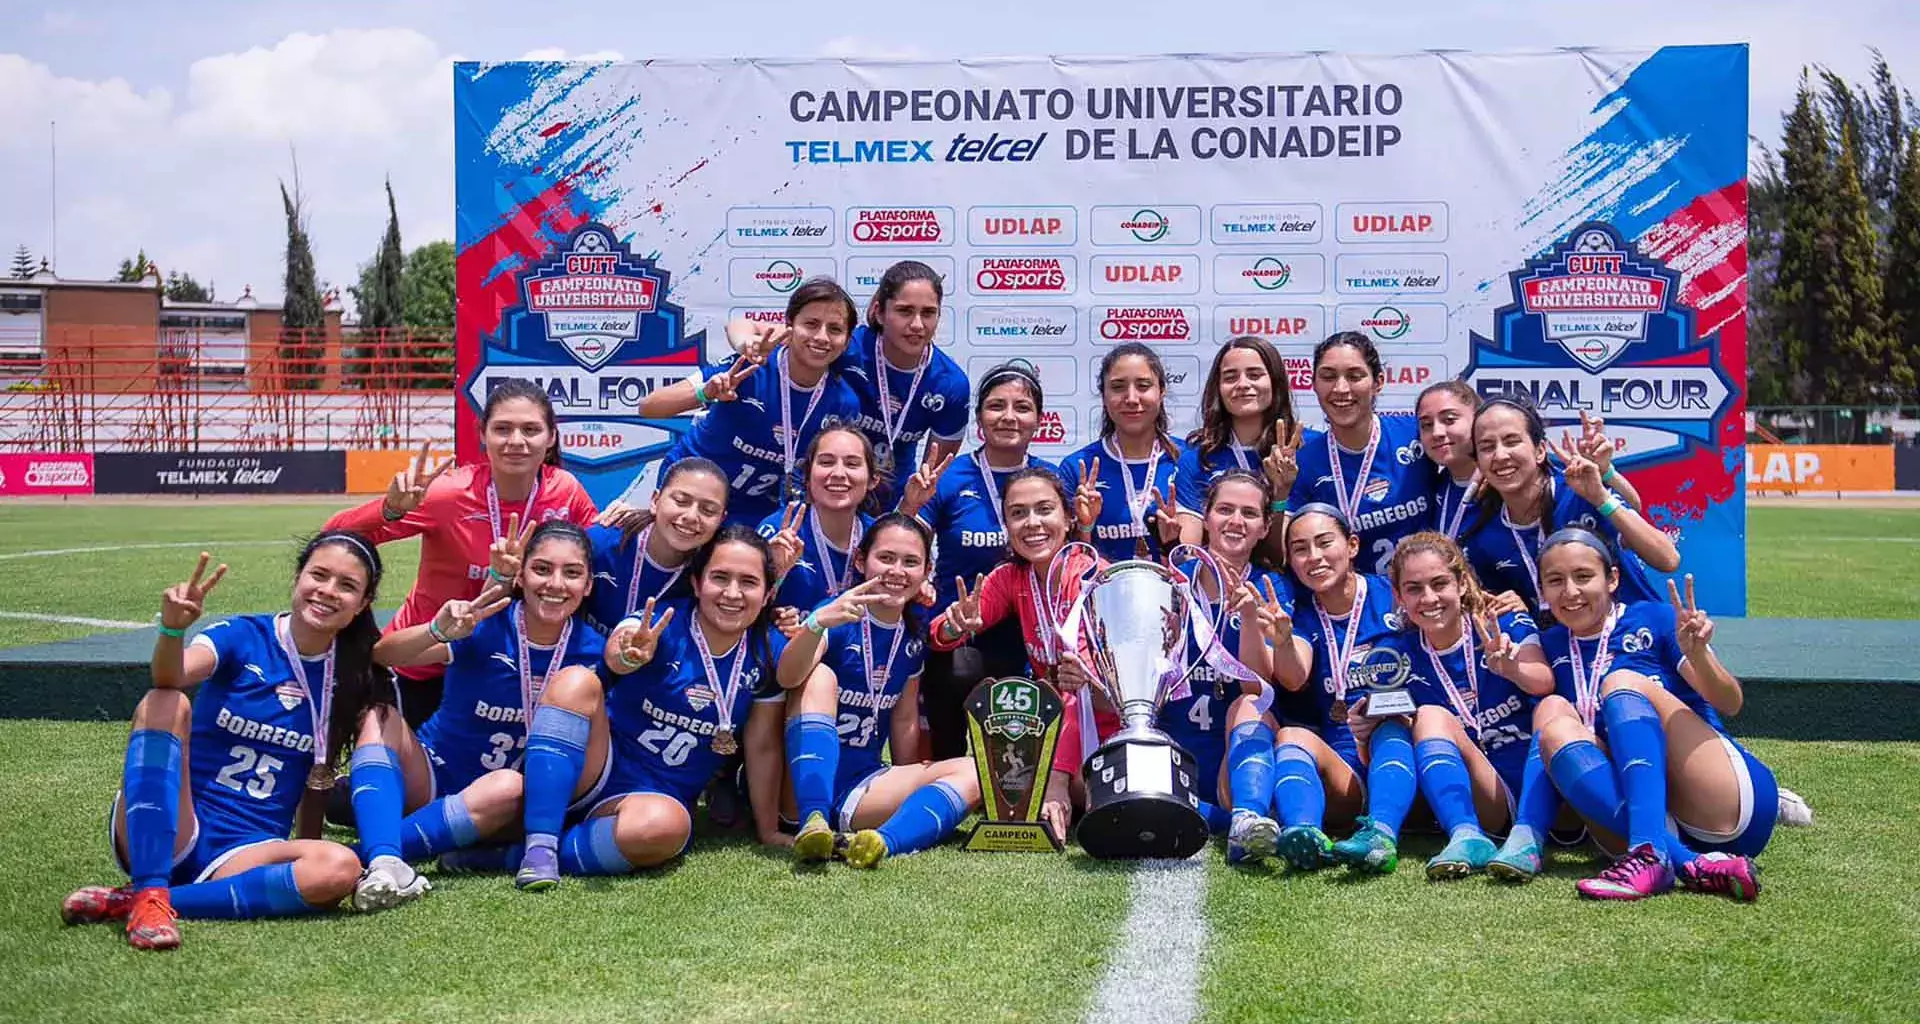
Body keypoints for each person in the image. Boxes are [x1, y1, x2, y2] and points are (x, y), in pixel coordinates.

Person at [61, 537, 388, 950]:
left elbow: (317, 776)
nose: (327, 591)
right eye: (318, 575)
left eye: (346, 585)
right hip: (176, 825)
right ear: (298, 576)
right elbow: (172, 676)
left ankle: (138, 901)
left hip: (248, 850)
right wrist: (172, 630)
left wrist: (309, 856)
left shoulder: (353, 674)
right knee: (164, 701)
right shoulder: (245, 635)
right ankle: (150, 884)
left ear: (361, 603)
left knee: (339, 866)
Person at [1490, 529, 1770, 901]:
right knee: (1552, 716)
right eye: (1555, 581)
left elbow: (1730, 702)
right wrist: (1511, 669)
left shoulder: (1653, 618)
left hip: (1718, 803)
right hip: (1632, 822)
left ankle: (1655, 853)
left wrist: (1700, 654)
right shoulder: (1552, 644)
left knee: (1621, 682)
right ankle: (1687, 864)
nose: (1570, 591)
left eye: (1583, 576)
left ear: (1613, 579)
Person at [506, 526, 790, 888]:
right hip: (597, 766)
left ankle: (511, 857)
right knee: (576, 681)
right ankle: (539, 846)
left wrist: (767, 829)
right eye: (720, 577)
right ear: (697, 581)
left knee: (666, 828)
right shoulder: (662, 621)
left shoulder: (767, 649)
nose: (732, 593)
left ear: (767, 595)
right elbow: (621, 648)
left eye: (748, 582)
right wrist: (626, 654)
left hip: (654, 798)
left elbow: (763, 745)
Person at [350, 522, 608, 893]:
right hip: (434, 776)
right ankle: (385, 860)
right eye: (541, 569)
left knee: (506, 786)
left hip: (513, 803)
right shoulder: (485, 626)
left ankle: (358, 854)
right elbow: (382, 654)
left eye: (572, 573)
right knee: (380, 715)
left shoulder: (594, 649)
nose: (555, 584)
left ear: (588, 586)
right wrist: (436, 631)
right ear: (519, 576)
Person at [326, 380, 597, 725]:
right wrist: (390, 509)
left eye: (531, 429)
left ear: (551, 437)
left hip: (502, 663)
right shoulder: (450, 493)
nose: (516, 441)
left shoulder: (565, 490)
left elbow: (596, 551)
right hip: (424, 661)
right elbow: (334, 535)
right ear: (483, 435)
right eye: (502, 429)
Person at [776, 514, 981, 866]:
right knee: (820, 675)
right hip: (799, 786)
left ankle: (880, 843)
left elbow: (904, 720)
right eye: (885, 558)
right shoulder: (837, 613)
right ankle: (813, 822)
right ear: (861, 560)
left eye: (911, 562)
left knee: (975, 771)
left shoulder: (912, 635)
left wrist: (910, 778)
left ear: (926, 571)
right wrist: (815, 624)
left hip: (862, 784)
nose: (897, 571)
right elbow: (788, 678)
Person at [929, 468, 1107, 843]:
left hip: (1102, 721)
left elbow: (1083, 692)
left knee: (1086, 789)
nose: (1033, 523)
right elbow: (939, 636)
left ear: (1069, 517)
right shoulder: (1013, 577)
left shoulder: (1094, 576)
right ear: (1006, 523)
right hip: (1057, 725)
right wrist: (955, 625)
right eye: (1018, 513)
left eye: (1045, 509)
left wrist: (1056, 780)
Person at [1224, 504, 1399, 871]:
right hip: (1340, 768)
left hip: (1394, 753)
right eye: (1301, 549)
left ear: (1351, 545)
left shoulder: (1394, 594)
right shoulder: (1302, 614)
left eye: (1324, 543)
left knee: (1295, 737)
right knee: (1279, 728)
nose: (1314, 557)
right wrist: (1283, 639)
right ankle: (1299, 834)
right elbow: (1292, 676)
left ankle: (1290, 824)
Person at [1372, 532, 1555, 880]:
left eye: (1440, 583)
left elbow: (1544, 680)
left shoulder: (1502, 622)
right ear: (1398, 596)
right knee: (1429, 717)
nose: (1429, 598)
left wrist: (1511, 668)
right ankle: (1467, 834)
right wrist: (1363, 729)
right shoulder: (1397, 653)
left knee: (1554, 705)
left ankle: (1526, 835)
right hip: (1486, 794)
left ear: (1462, 582)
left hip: (1541, 787)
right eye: (1413, 588)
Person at [904, 359, 1054, 760]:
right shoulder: (949, 477)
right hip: (958, 631)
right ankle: (947, 775)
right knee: (957, 672)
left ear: (1039, 420)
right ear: (978, 419)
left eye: (1022, 407)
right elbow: (907, 540)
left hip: (1030, 633)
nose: (1008, 417)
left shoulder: (1052, 478)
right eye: (996, 406)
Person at [635, 277, 862, 528]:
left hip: (759, 513)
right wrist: (705, 394)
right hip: (694, 497)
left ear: (848, 340)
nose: (821, 337)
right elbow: (649, 406)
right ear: (788, 326)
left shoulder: (843, 403)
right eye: (811, 324)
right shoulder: (750, 368)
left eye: (835, 329)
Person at [1155, 471, 1294, 861]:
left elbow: (1259, 686)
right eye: (1225, 510)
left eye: (1250, 513)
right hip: (1174, 751)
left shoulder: (1272, 587)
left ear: (1266, 525)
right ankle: (1218, 819)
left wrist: (1250, 619)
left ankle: (1244, 820)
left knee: (1251, 705)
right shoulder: (1171, 583)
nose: (1236, 521)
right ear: (1206, 517)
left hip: (1236, 759)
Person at [1460, 398, 1676, 616]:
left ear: (1540, 450)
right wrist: (1517, 611)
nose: (1500, 455)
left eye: (1512, 441)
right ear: (1477, 462)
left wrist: (1600, 497)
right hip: (1565, 647)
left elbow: (1668, 559)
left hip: (1641, 638)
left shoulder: (1579, 492)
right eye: (1487, 447)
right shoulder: (1483, 534)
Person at [1286, 332, 1432, 575]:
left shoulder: (1415, 433)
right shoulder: (1304, 463)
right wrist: (1279, 493)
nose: (1341, 388)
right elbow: (1283, 554)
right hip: (1355, 601)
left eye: (1355, 376)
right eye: (1328, 376)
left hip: (1423, 593)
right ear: (1313, 383)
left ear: (1378, 382)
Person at [837, 260, 970, 507]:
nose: (918, 325)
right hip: (830, 490)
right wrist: (744, 338)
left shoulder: (951, 384)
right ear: (879, 312)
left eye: (928, 313)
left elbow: (930, 477)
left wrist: (904, 514)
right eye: (905, 311)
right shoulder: (847, 347)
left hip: (892, 501)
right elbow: (776, 340)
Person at [1061, 342, 1187, 563]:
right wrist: (1085, 525)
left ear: (1161, 391)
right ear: (1103, 395)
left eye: (1143, 385)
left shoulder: (1188, 460)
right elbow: (1070, 562)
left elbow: (1196, 560)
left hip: (1173, 595)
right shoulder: (1077, 467)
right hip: (1103, 594)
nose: (1131, 398)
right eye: (1118, 387)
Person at [1174, 335, 1302, 549]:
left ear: (1275, 381)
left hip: (1286, 580)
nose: (1243, 384)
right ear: (1218, 387)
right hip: (1218, 578)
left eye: (1254, 374)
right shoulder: (1197, 457)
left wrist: (1281, 493)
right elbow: (1189, 553)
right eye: (1230, 377)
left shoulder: (1304, 450)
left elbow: (1282, 557)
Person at [760, 422, 885, 629]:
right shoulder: (778, 531)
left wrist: (920, 590)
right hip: (790, 655)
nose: (838, 473)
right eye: (826, 462)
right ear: (807, 476)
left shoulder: (879, 536)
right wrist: (776, 577)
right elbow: (743, 605)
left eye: (852, 464)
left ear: (873, 480)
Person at [583, 458, 729, 633]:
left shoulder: (713, 570)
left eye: (708, 510)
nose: (691, 516)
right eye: (681, 501)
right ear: (655, 501)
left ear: (721, 519)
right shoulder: (600, 543)